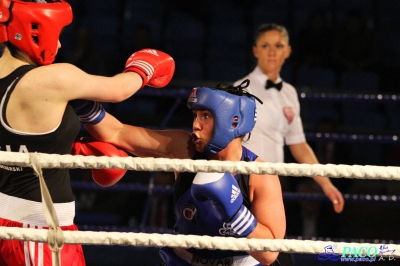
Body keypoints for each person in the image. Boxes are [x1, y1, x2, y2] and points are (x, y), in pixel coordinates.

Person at [0, 0, 175, 265]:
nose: (59, 45)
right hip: (36, 229)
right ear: (37, 31)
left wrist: (65, 147)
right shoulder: (51, 79)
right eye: (56, 35)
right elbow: (120, 90)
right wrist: (144, 66)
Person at [73, 80, 286, 265]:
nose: (195, 125)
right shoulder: (184, 149)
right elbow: (118, 133)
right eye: (195, 115)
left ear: (233, 121)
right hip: (184, 261)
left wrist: (236, 214)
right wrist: (80, 101)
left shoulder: (260, 174)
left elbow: (269, 254)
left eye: (206, 116)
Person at [233, 23, 345, 215]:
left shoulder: (289, 93)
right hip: (242, 182)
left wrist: (326, 184)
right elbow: (226, 143)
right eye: (265, 46)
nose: (272, 52)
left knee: (271, 243)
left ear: (288, 51)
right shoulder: (240, 90)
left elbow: (299, 145)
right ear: (255, 51)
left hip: (274, 183)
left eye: (278, 46)